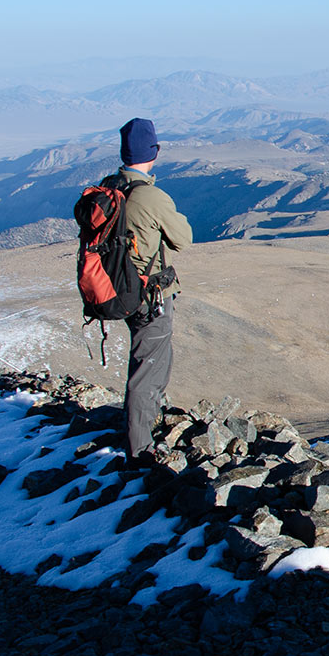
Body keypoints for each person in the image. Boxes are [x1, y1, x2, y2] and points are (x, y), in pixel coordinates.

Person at [115, 117, 193, 464]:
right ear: (154, 152)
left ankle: (149, 426)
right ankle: (140, 452)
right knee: (147, 369)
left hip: (122, 290)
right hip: (150, 296)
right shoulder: (150, 195)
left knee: (152, 360)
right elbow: (183, 239)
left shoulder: (110, 188)